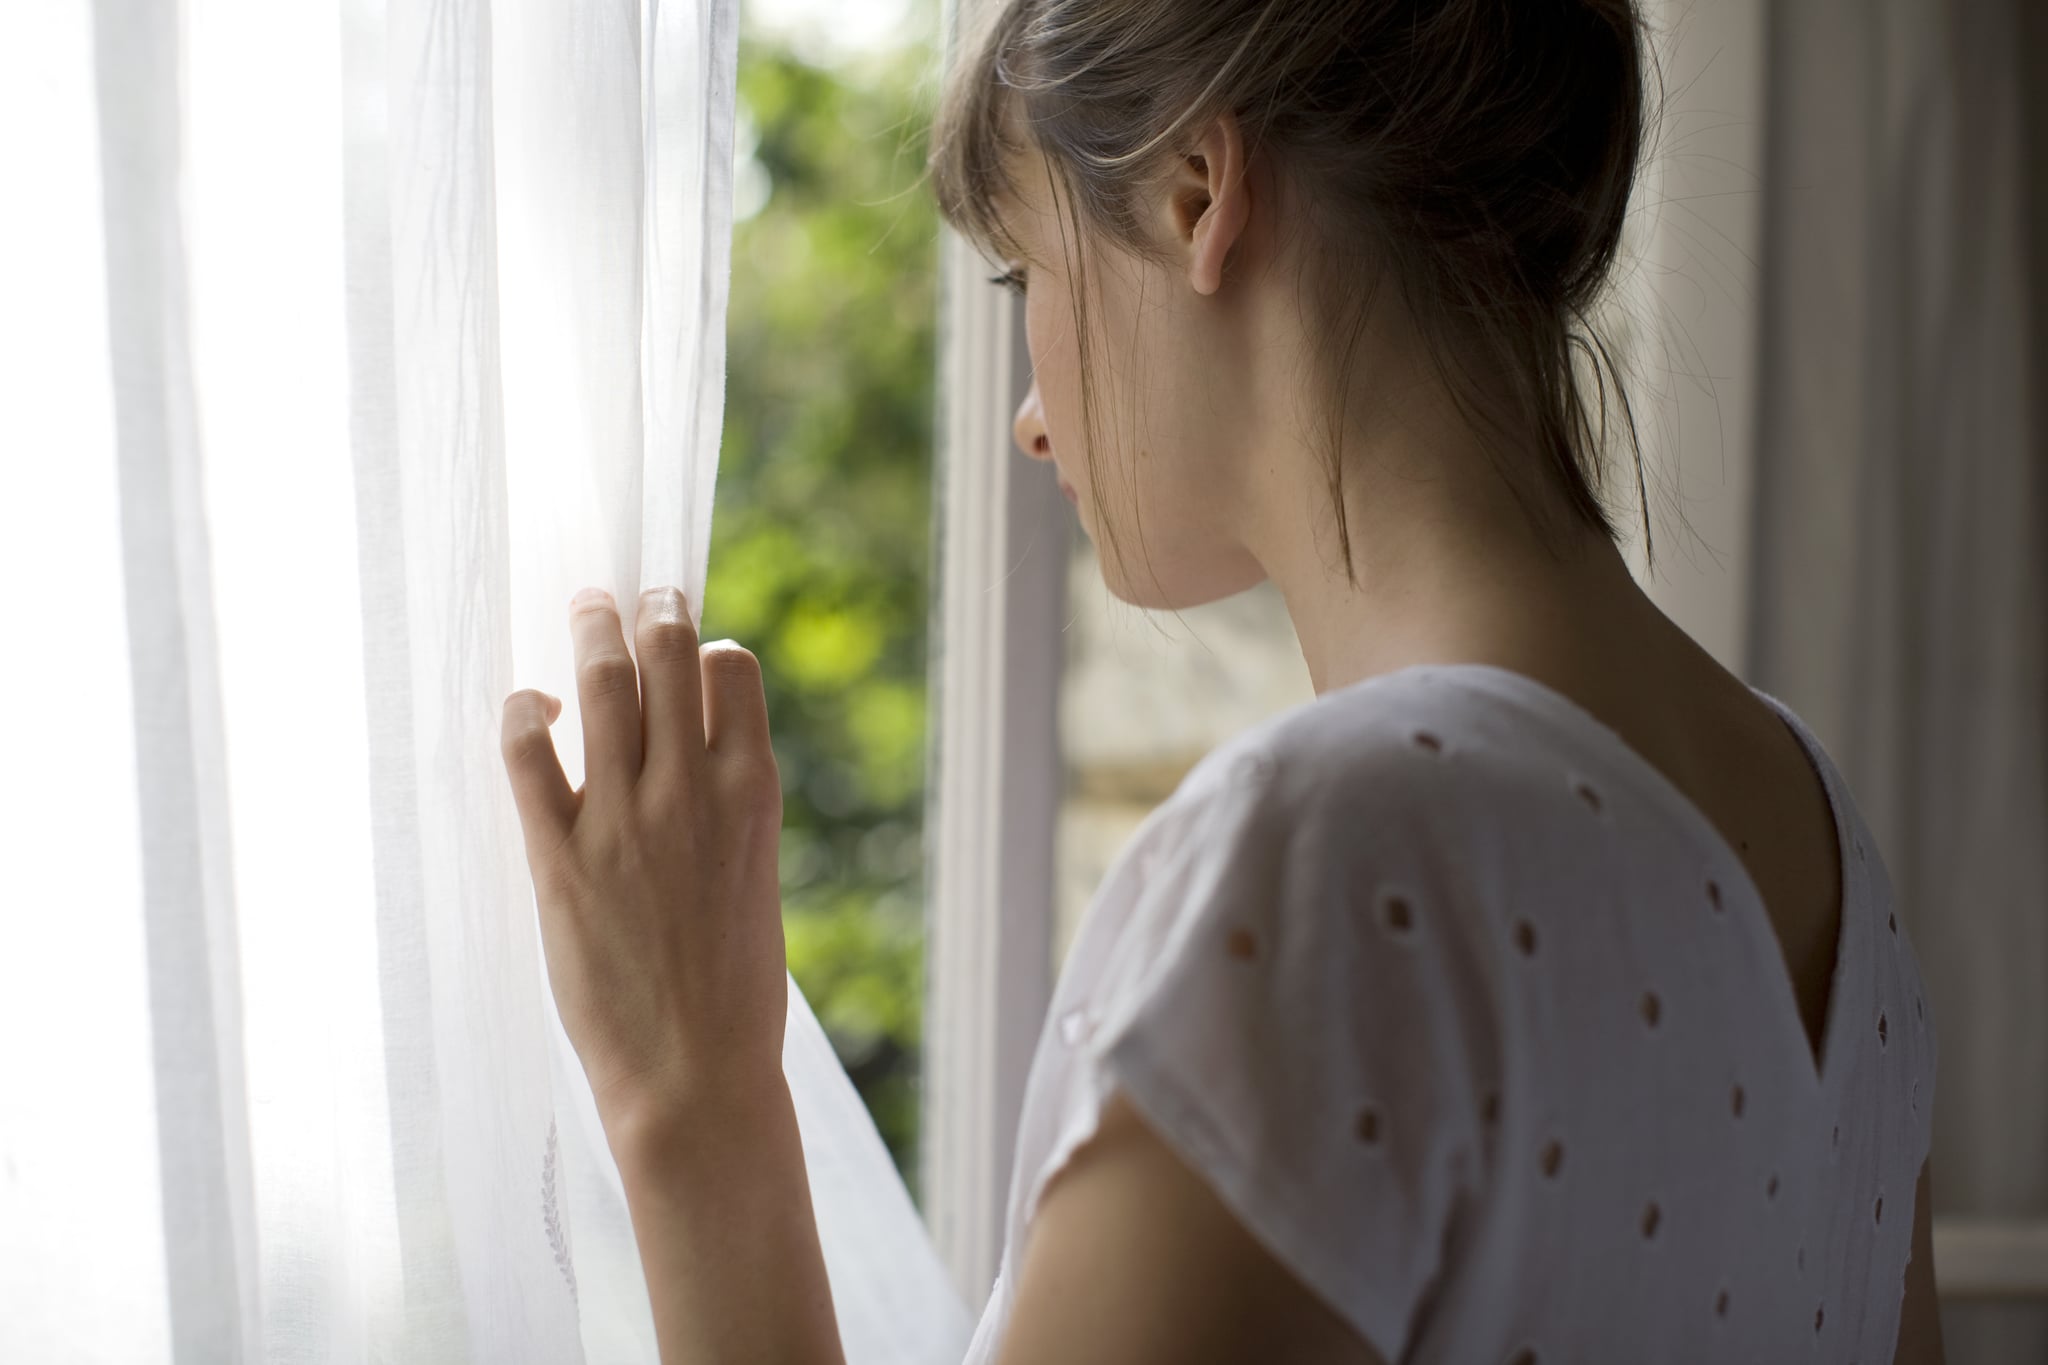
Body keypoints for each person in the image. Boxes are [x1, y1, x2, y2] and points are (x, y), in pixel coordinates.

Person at [499, 1, 1945, 1361]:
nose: (1028, 415)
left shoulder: (1337, 859)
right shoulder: (1831, 859)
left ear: (1199, 190)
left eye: (1026, 273)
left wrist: (692, 1108)